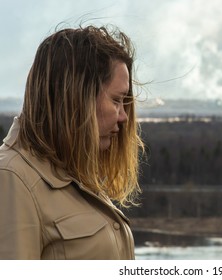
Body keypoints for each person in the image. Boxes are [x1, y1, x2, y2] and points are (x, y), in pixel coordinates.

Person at [0, 25, 144, 259]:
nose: (123, 116)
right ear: (76, 97)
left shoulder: (77, 177)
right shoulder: (11, 179)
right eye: (116, 100)